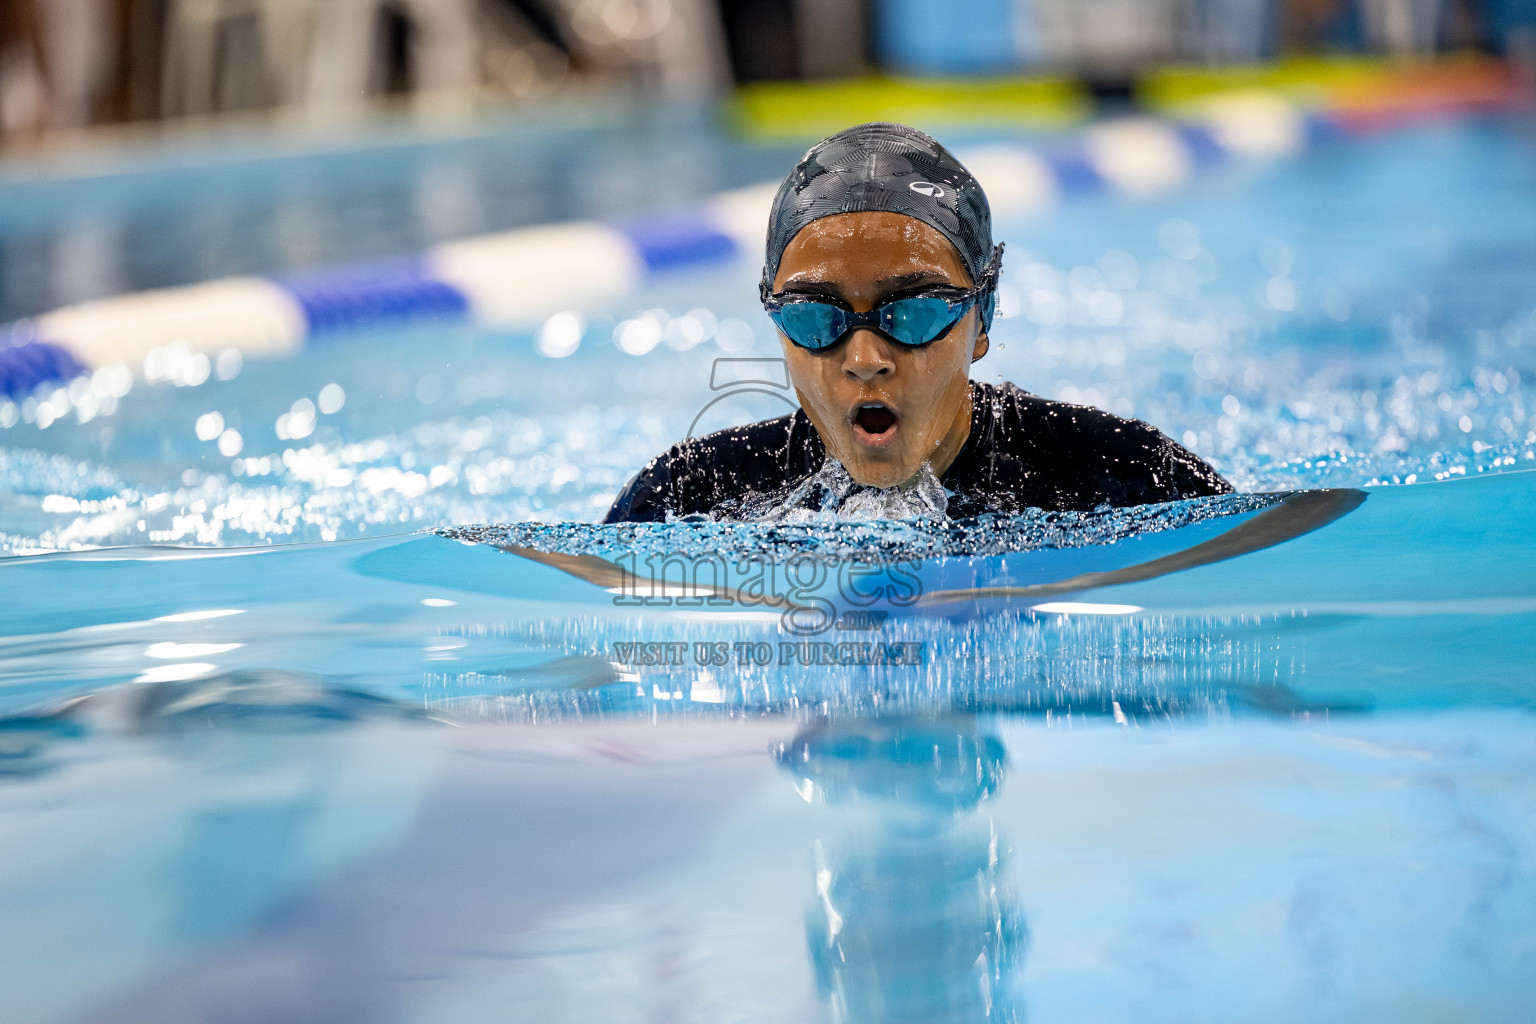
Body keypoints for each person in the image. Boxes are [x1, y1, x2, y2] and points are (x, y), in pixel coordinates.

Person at [603, 121, 1231, 524]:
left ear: (980, 319)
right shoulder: (687, 499)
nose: (865, 355)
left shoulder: (1131, 481)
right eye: (816, 316)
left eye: (915, 311)